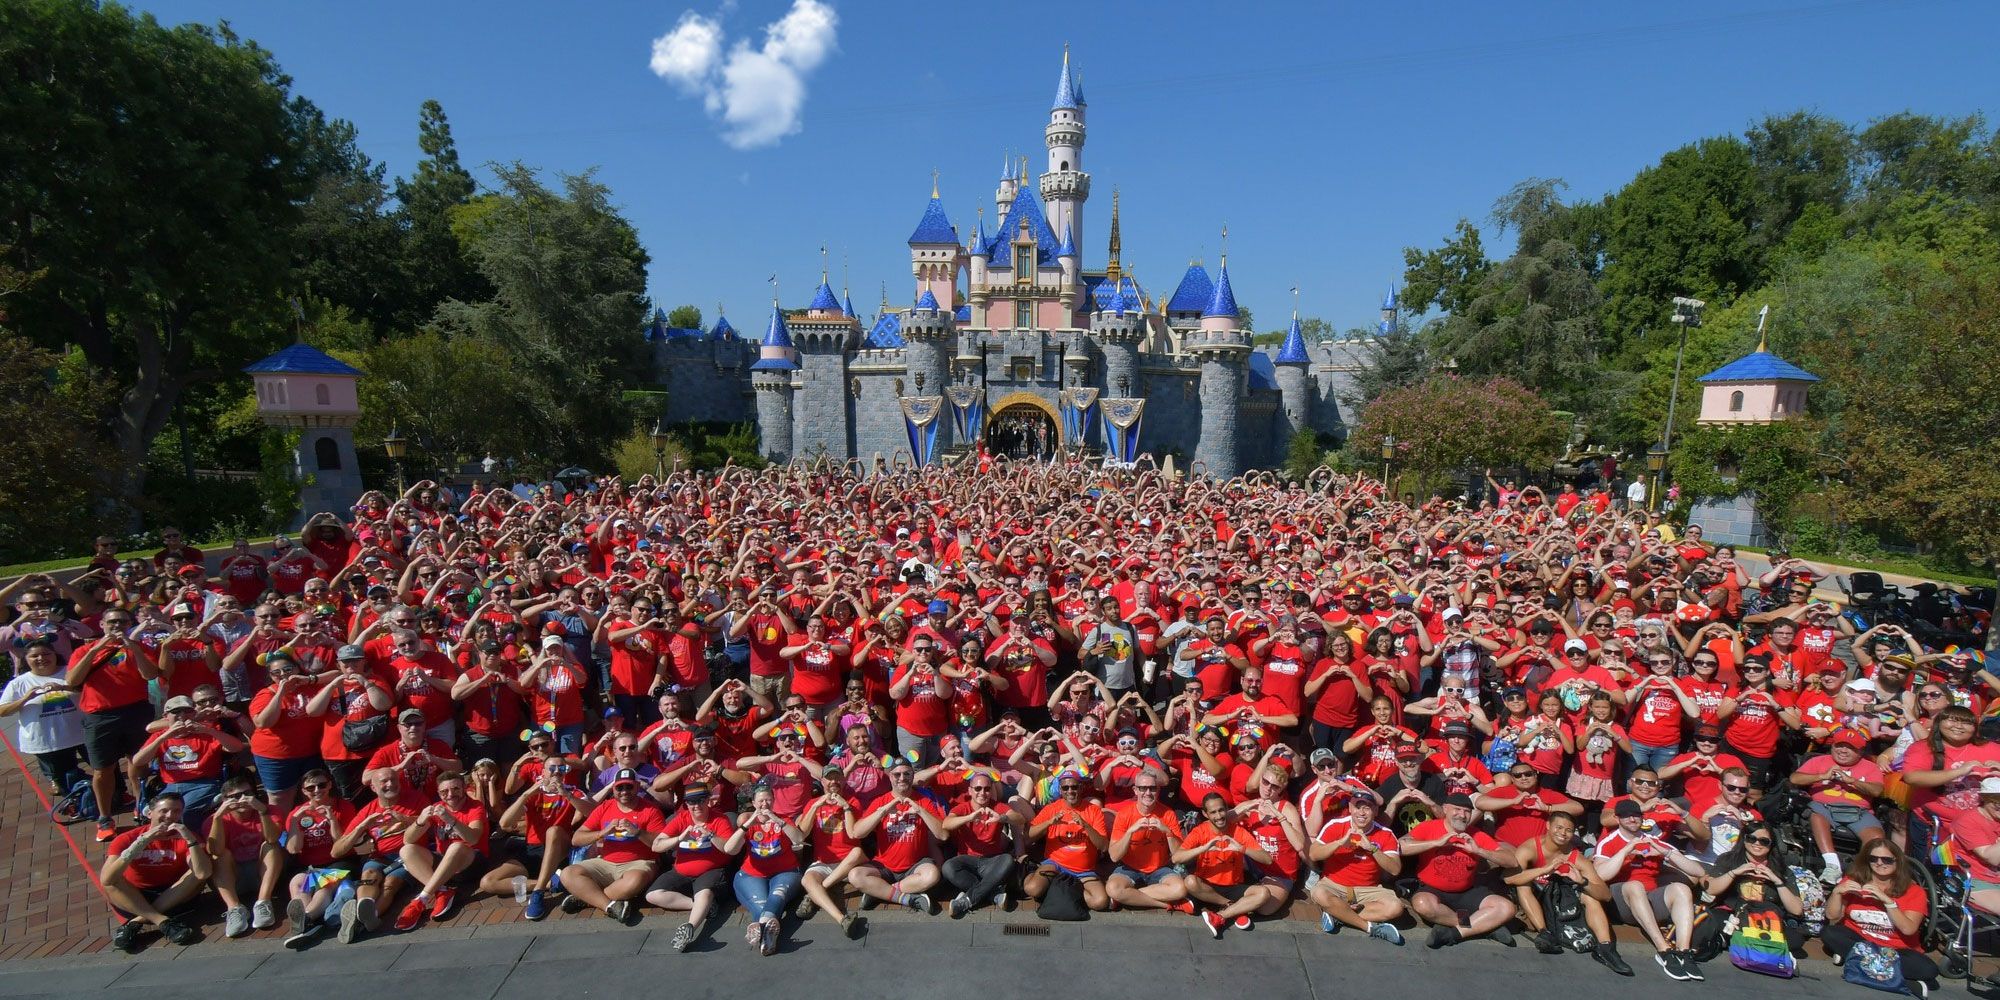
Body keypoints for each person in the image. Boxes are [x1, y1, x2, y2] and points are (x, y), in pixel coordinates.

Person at [1594, 798, 1710, 980]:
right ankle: (1664, 950)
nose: (1632, 819)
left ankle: (1684, 953)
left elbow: (1698, 871)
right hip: (1622, 902)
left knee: (1681, 889)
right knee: (1635, 886)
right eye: (1626, 816)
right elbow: (1601, 875)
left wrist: (1667, 853)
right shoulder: (1609, 841)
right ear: (1617, 819)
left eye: (1636, 816)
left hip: (1649, 901)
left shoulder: (1653, 841)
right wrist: (1626, 851)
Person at [1505, 811, 1631, 974]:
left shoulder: (1576, 857)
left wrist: (1582, 882)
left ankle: (1606, 949)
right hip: (1537, 898)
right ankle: (1545, 933)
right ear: (1548, 826)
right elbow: (1509, 878)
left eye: (1569, 830)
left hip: (1561, 901)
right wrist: (1544, 869)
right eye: (1559, 827)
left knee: (1590, 895)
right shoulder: (1531, 847)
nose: (1563, 833)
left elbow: (1605, 895)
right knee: (1523, 884)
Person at [1401, 793, 1519, 948]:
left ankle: (1455, 932)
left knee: (1507, 908)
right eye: (1457, 809)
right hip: (1432, 890)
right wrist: (1436, 843)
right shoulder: (1429, 827)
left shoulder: (1476, 834)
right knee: (1422, 904)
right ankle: (1482, 927)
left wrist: (1479, 851)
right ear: (1445, 809)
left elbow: (1512, 861)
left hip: (1466, 891)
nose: (1462, 815)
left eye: (1467, 811)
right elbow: (1400, 846)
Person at [1823, 839, 1939, 995]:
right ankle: (1899, 981)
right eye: (1873, 859)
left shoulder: (1914, 891)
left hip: (1897, 950)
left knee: (1928, 970)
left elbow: (1908, 929)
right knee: (1829, 933)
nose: (1879, 863)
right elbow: (1832, 916)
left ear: (1897, 861)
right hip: (1861, 941)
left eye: (1887, 859)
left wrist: (1887, 901)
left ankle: (1855, 961)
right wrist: (1837, 892)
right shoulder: (1853, 881)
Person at [102, 792, 210, 952]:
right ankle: (163, 921)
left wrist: (190, 840)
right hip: (134, 897)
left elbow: (203, 873)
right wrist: (143, 841)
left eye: (176, 811)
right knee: (111, 882)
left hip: (174, 895)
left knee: (195, 872)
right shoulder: (127, 838)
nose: (170, 816)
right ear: (150, 813)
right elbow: (107, 879)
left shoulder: (188, 836)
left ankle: (135, 923)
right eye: (164, 811)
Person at [562, 766, 668, 926]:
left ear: (637, 787)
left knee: (635, 881)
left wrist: (637, 832)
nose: (624, 791)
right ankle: (610, 905)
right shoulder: (605, 807)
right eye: (620, 787)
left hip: (638, 863)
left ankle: (586, 898)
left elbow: (661, 845)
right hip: (605, 862)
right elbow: (576, 839)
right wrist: (602, 833)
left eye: (629, 786)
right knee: (568, 873)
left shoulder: (651, 810)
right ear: (613, 789)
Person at [331, 769, 427, 944]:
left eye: (393, 780)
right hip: (379, 857)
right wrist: (362, 826)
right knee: (369, 875)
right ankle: (364, 908)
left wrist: (405, 819)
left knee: (390, 884)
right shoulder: (368, 810)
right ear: (373, 788)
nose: (390, 784)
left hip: (407, 856)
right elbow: (336, 851)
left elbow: (432, 822)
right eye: (384, 782)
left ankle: (364, 918)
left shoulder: (416, 799)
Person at [646, 783, 741, 950]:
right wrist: (679, 838)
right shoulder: (682, 819)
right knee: (652, 895)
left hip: (711, 870)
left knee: (703, 893)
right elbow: (656, 845)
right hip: (681, 870)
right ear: (686, 804)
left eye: (700, 801)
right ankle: (701, 907)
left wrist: (710, 835)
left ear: (708, 801)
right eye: (691, 802)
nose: (696, 806)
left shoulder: (720, 819)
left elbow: (729, 849)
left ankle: (690, 928)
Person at [1307, 785, 1406, 945]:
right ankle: (1370, 928)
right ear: (1350, 808)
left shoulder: (1386, 834)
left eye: (1367, 808)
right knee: (1318, 893)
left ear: (1375, 811)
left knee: (1396, 907)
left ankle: (1338, 915)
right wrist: (1339, 843)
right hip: (1334, 885)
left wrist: (1372, 849)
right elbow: (1313, 854)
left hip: (1368, 889)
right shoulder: (1336, 825)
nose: (1361, 813)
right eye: (1357, 807)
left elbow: (1395, 869)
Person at [394, 770, 490, 930]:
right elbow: (408, 840)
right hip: (445, 866)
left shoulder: (475, 807)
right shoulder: (437, 807)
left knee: (457, 846)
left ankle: (421, 900)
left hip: (472, 864)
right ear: (438, 793)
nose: (450, 794)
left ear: (464, 788)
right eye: (444, 791)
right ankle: (441, 891)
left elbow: (473, 838)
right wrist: (420, 820)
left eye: (455, 789)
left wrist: (450, 820)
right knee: (407, 850)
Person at [848, 757, 947, 913]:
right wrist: (883, 811)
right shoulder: (881, 801)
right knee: (855, 875)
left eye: (907, 774)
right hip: (884, 866)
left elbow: (943, 835)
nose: (902, 778)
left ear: (913, 776)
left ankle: (879, 892)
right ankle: (905, 898)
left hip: (915, 866)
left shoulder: (923, 801)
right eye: (897, 775)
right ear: (890, 776)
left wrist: (920, 810)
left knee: (932, 875)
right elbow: (857, 833)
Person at [1789, 726, 1887, 883]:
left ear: (1860, 751)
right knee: (1817, 817)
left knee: (1876, 836)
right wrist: (1822, 776)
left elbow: (1876, 791)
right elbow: (1794, 779)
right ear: (1832, 746)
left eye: (1850, 748)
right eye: (1839, 745)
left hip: (1859, 811)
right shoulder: (1818, 761)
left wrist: (1852, 782)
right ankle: (1832, 866)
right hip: (1824, 807)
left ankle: (1858, 873)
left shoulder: (1871, 767)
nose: (1843, 750)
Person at [1175, 791, 1276, 938]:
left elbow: (1267, 860)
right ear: (1205, 814)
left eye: (1221, 810)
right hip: (1207, 885)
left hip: (1233, 886)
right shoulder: (1200, 831)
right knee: (1190, 882)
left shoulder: (1238, 832)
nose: (1219, 816)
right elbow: (1176, 858)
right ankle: (1232, 907)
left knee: (1263, 893)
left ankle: (1220, 916)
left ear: (1226, 809)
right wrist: (1203, 848)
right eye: (1213, 812)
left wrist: (1241, 848)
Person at [0, 639, 87, 796]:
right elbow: (2, 711)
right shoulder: (19, 683)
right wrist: (25, 698)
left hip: (82, 733)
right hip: (47, 740)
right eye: (35, 656)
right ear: (26, 659)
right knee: (65, 781)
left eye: (46, 653)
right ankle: (77, 802)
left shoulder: (70, 672)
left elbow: (89, 689)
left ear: (55, 655)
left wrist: (64, 687)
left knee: (105, 768)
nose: (41, 658)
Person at [204, 775, 284, 938]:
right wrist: (218, 818)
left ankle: (263, 902)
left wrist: (262, 812)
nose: (241, 800)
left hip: (263, 875)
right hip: (234, 878)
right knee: (219, 855)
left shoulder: (270, 811)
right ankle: (234, 908)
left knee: (271, 846)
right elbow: (215, 850)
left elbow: (272, 838)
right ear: (224, 799)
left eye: (246, 794)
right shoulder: (213, 820)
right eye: (234, 796)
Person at [1104, 766, 1190, 913]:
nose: (1148, 793)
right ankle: (1164, 904)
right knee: (1113, 887)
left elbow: (1178, 856)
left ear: (1158, 791)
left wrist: (1167, 831)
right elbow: (1114, 856)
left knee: (1180, 889)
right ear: (1135, 790)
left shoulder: (1168, 814)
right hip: (1129, 868)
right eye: (1143, 788)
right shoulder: (1124, 814)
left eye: (1152, 788)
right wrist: (1130, 831)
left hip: (1159, 868)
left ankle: (1129, 896)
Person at [942, 768, 1026, 917]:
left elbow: (1020, 819)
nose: (982, 793)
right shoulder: (963, 808)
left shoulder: (997, 807)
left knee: (1007, 860)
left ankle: (967, 900)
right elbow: (946, 824)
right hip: (968, 861)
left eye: (987, 789)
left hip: (991, 862)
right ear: (970, 791)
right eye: (978, 789)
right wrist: (969, 818)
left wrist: (1002, 818)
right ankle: (993, 894)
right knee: (948, 867)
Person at [1024, 767, 1110, 912]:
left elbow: (1104, 847)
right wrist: (1049, 823)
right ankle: (1053, 883)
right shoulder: (1052, 809)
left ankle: (1062, 890)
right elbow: (1027, 837)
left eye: (1074, 786)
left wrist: (1086, 826)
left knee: (1100, 902)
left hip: (1084, 870)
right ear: (1061, 790)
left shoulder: (1093, 810)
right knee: (1032, 889)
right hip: (1056, 865)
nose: (1070, 791)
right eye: (1066, 787)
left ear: (1081, 788)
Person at [733, 782, 805, 955]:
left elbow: (799, 839)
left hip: (785, 872)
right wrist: (750, 821)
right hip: (751, 874)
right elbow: (730, 849)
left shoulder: (783, 820)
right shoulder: (747, 821)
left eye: (768, 800)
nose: (764, 804)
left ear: (773, 801)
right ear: (753, 802)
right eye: (760, 801)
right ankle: (768, 936)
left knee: (776, 896)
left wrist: (777, 819)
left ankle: (760, 927)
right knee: (762, 904)